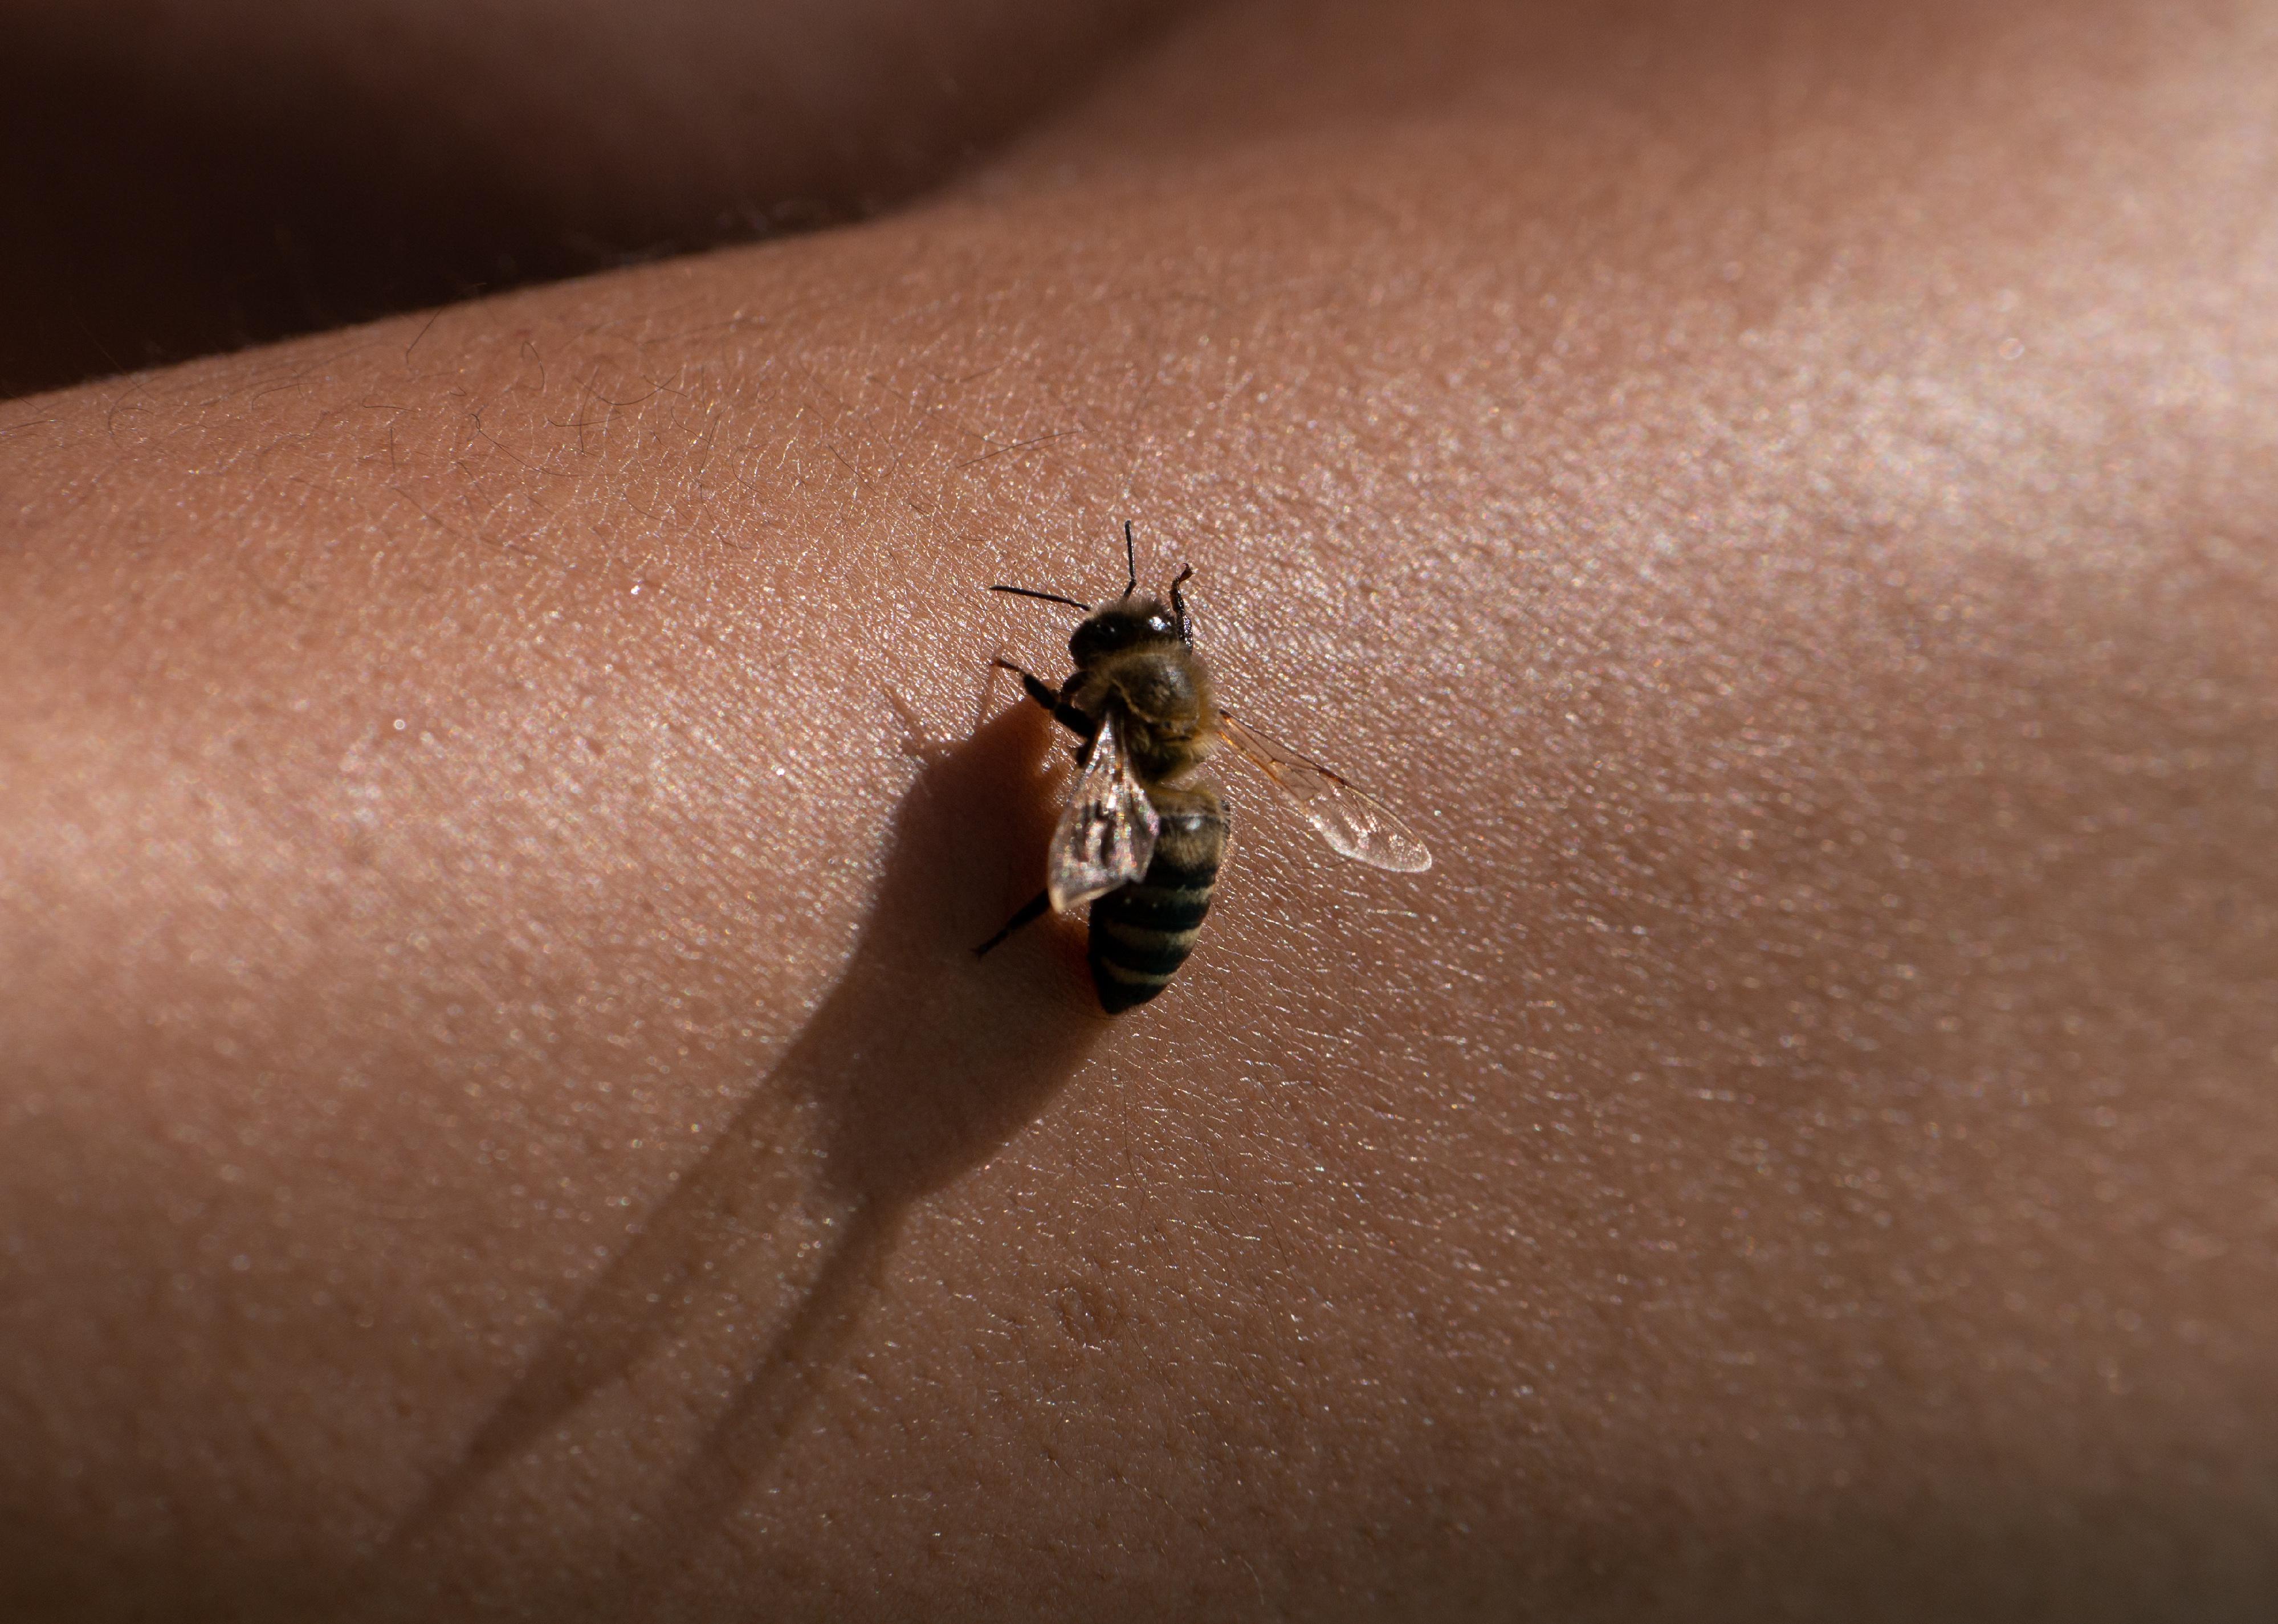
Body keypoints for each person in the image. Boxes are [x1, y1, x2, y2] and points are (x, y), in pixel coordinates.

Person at [3, 1, 2272, 1617]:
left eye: (1097, 670)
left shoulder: (1094, 755)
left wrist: (1037, 879)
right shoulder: (1169, 735)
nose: (1089, 678)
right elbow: (1177, 776)